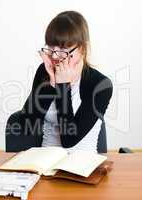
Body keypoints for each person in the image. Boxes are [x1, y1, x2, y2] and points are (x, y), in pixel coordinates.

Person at [19, 11, 113, 152]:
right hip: (46, 163)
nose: (55, 55)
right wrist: (50, 86)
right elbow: (26, 126)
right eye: (51, 47)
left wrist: (62, 87)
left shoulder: (100, 85)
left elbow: (69, 140)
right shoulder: (45, 71)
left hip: (82, 166)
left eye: (63, 48)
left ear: (82, 48)